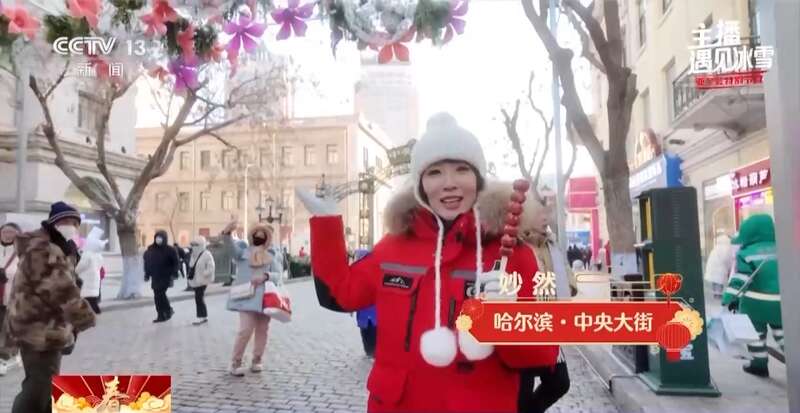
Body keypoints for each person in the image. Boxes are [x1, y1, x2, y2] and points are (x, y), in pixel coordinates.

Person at [297, 113, 558, 412]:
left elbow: (542, 357)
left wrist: (507, 322)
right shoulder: (394, 247)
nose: (449, 184)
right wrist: (326, 222)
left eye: (462, 169)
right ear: (420, 184)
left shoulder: (511, 254)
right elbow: (340, 293)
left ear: (478, 179)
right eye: (435, 172)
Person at [482, 183, 575, 413]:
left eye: (546, 213)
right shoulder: (515, 247)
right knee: (526, 384)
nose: (545, 218)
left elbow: (560, 274)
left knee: (558, 381)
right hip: (522, 329)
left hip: (544, 320)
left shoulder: (549, 243)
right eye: (540, 212)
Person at [8, 202, 96, 413]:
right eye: (65, 221)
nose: (70, 226)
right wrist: (84, 316)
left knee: (47, 384)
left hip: (47, 326)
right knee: (38, 388)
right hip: (37, 328)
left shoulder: (61, 247)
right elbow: (60, 288)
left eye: (74, 222)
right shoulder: (42, 249)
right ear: (53, 223)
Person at [721, 214, 783, 377]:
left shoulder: (746, 253)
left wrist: (728, 298)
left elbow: (741, 279)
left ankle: (759, 365)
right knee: (783, 334)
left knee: (756, 336)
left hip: (755, 304)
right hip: (782, 302)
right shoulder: (783, 248)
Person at [223, 223, 283, 376]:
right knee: (245, 330)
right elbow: (230, 248)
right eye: (256, 236)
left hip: (265, 299)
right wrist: (227, 234)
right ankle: (235, 362)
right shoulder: (242, 252)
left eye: (262, 237)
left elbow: (278, 275)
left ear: (267, 239)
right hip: (246, 297)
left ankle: (257, 359)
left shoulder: (271, 254)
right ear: (251, 237)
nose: (259, 239)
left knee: (263, 330)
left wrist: (266, 276)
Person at [143, 230, 179, 323]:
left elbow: (176, 262)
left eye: (160, 237)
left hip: (166, 276)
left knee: (160, 294)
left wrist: (175, 273)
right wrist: (147, 274)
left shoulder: (170, 250)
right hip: (155, 276)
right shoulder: (151, 249)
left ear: (165, 238)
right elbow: (147, 263)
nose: (158, 239)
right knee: (157, 296)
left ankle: (167, 311)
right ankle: (161, 314)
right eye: (157, 237)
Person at [0, 222, 21, 376]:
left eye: (11, 232)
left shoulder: (23, 252)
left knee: (9, 329)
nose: (7, 235)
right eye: (4, 231)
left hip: (14, 298)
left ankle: (6, 357)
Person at [75, 228, 106, 315]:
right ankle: (95, 309)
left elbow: (81, 267)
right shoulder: (98, 255)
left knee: (87, 298)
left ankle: (92, 311)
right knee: (92, 298)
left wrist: (75, 271)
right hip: (95, 278)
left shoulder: (87, 255)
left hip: (86, 279)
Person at [187, 236, 215, 325]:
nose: (193, 247)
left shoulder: (207, 254)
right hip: (196, 280)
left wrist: (204, 273)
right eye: (193, 245)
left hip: (203, 280)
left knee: (199, 298)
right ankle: (203, 316)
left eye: (196, 245)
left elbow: (211, 267)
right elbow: (191, 265)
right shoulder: (193, 254)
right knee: (199, 298)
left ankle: (202, 317)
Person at [704, 230, 733, 300]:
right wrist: (730, 265)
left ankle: (716, 293)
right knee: (719, 281)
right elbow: (726, 258)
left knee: (715, 281)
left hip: (713, 266)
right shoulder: (726, 247)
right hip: (720, 267)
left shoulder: (717, 247)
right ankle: (718, 294)